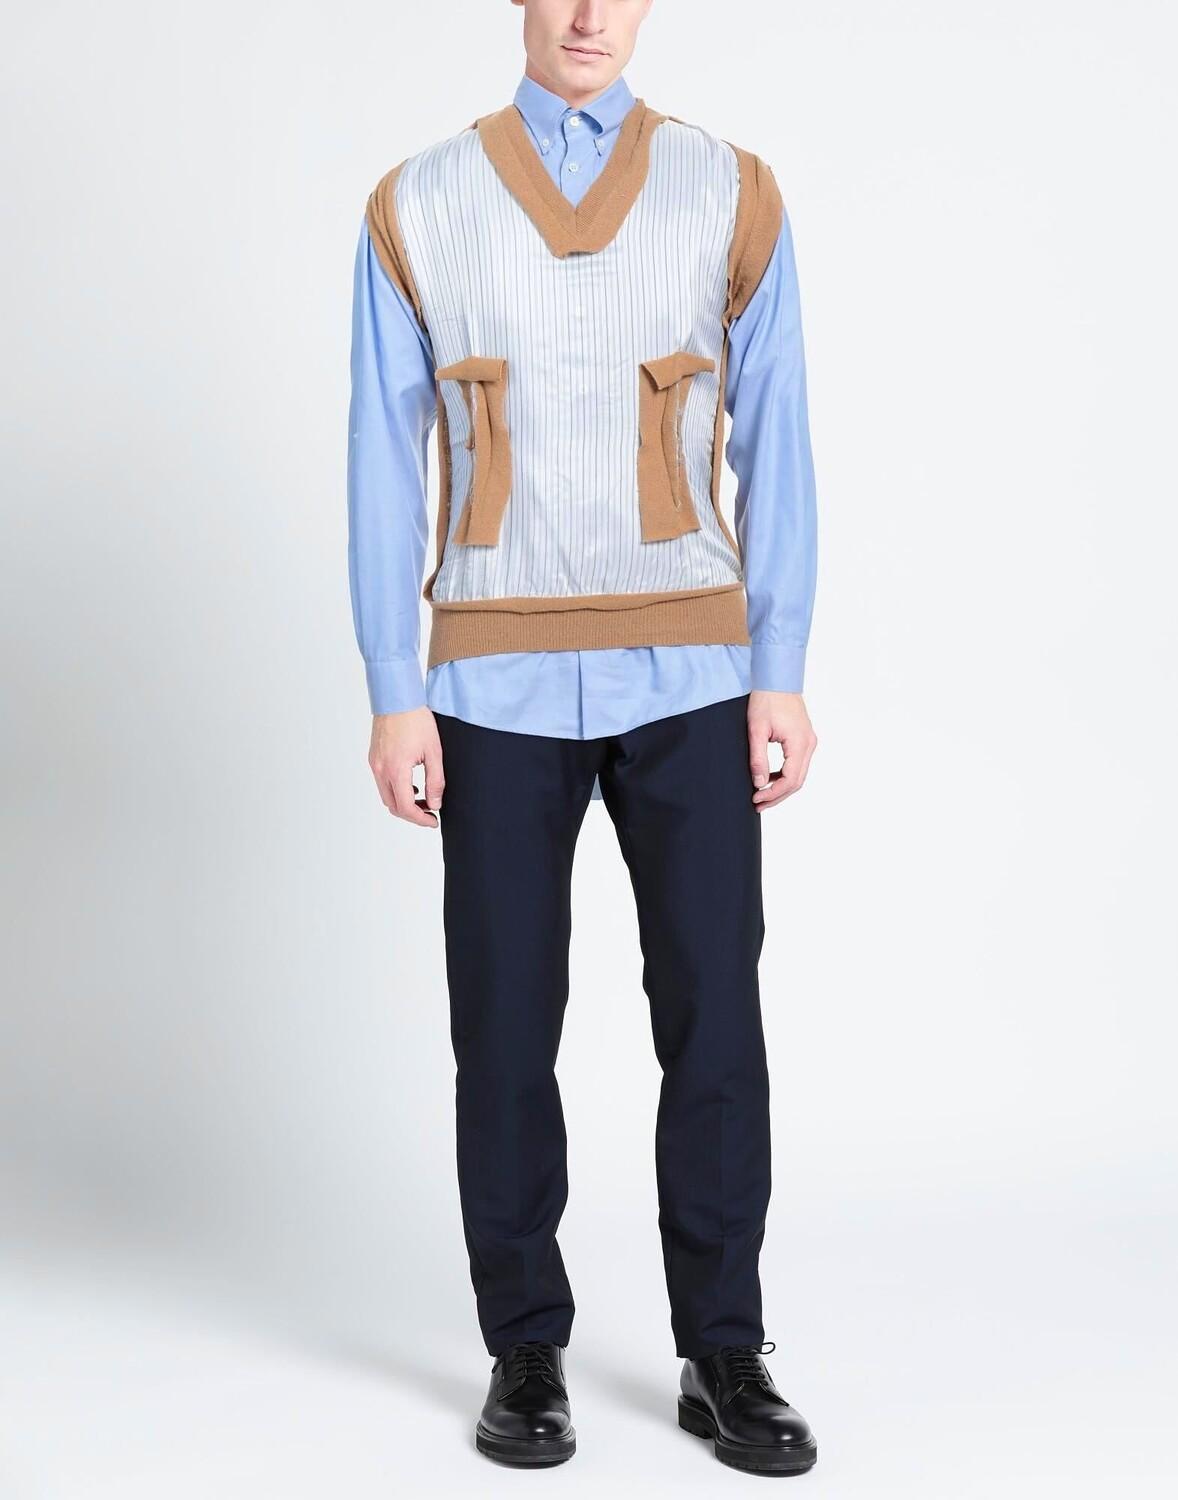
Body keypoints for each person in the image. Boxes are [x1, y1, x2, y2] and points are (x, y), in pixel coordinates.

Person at [347, 0, 819, 1475]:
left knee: (714, 1016)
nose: (590, 14)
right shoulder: (421, 202)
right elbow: (381, 447)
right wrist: (394, 684)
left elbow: (778, 429)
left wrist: (780, 664)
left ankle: (723, 1349)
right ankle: (524, 1347)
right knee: (501, 1023)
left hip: (691, 668)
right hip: (490, 680)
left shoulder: (727, 190)